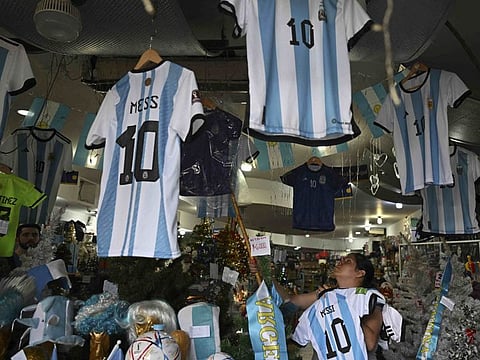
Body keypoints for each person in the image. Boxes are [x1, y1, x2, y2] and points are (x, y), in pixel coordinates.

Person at [251, 253, 384, 359]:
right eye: (341, 259)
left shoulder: (369, 298)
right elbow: (289, 299)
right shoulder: (326, 295)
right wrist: (265, 275)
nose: (340, 262)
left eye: (347, 261)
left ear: (360, 273)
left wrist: (343, 307)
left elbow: (370, 343)